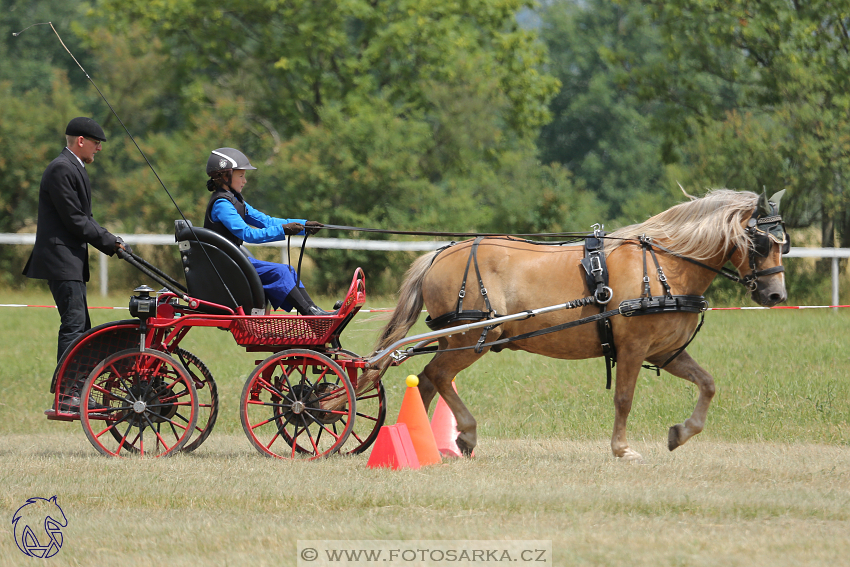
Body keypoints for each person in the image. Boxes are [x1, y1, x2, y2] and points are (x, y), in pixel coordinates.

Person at [23, 117, 127, 411]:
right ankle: (68, 394)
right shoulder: (61, 169)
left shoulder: (72, 168)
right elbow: (76, 220)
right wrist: (110, 242)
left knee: (81, 325)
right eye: (96, 143)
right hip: (60, 259)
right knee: (73, 325)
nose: (99, 149)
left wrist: (111, 239)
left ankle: (77, 390)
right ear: (81, 141)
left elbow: (82, 218)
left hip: (69, 259)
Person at [203, 147, 334, 315]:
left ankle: (314, 311)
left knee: (288, 271)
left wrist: (304, 225)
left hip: (233, 261)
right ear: (225, 176)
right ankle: (312, 315)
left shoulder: (236, 201)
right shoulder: (222, 205)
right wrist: (284, 230)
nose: (245, 181)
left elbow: (266, 221)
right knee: (279, 272)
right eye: (241, 176)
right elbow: (248, 234)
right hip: (225, 266)